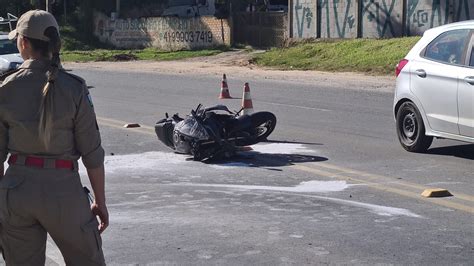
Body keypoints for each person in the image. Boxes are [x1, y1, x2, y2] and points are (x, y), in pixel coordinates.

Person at [0, 10, 108, 265]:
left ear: (24, 43)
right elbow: (92, 153)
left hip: (16, 194)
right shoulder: (74, 88)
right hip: (64, 192)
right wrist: (100, 202)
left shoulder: (5, 88)